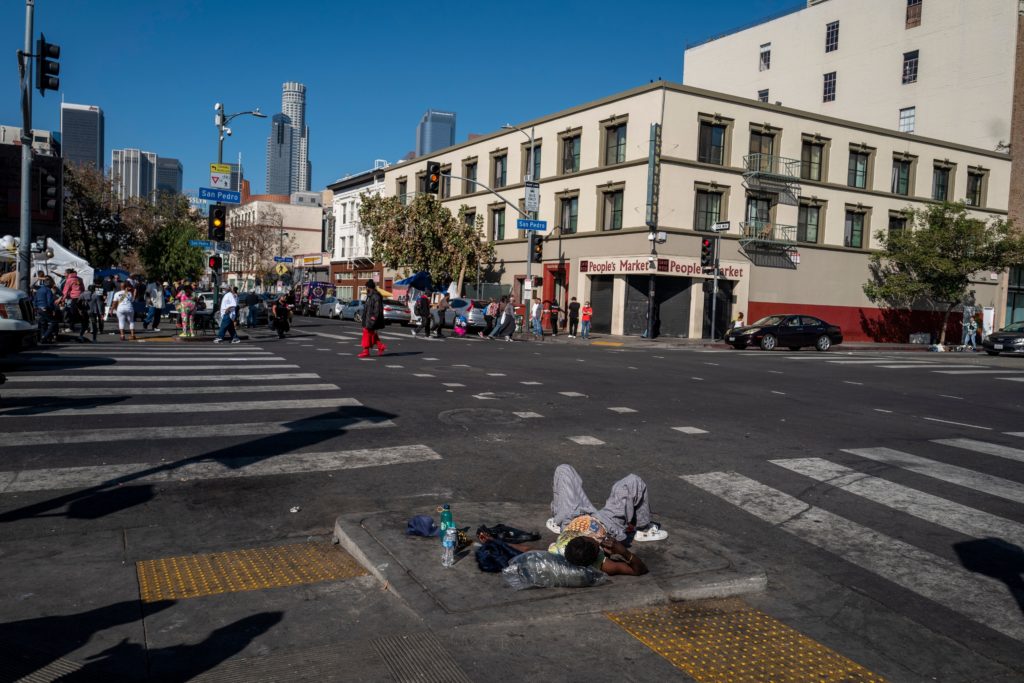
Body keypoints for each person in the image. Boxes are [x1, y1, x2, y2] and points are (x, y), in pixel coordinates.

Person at [545, 464, 666, 576]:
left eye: (581, 536)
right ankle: (644, 529)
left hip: (570, 518)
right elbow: (639, 570)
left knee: (564, 470)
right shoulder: (602, 563)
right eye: (594, 540)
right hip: (606, 522)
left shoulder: (558, 551)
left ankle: (558, 519)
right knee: (633, 482)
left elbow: (530, 553)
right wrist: (623, 551)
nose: (588, 535)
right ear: (598, 553)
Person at [360, 280, 387, 358]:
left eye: (366, 287)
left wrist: (373, 319)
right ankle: (380, 346)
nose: (366, 288)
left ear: (369, 287)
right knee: (372, 334)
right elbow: (367, 308)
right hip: (368, 319)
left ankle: (366, 351)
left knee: (366, 334)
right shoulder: (370, 296)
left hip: (371, 319)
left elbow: (377, 310)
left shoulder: (375, 296)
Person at [33, 279, 58, 343]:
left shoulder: (39, 290)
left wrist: (36, 307)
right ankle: (45, 336)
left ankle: (42, 338)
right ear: (49, 284)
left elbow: (35, 300)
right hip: (45, 308)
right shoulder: (48, 290)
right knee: (54, 322)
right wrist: (52, 309)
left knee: (43, 323)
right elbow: (50, 301)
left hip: (39, 308)